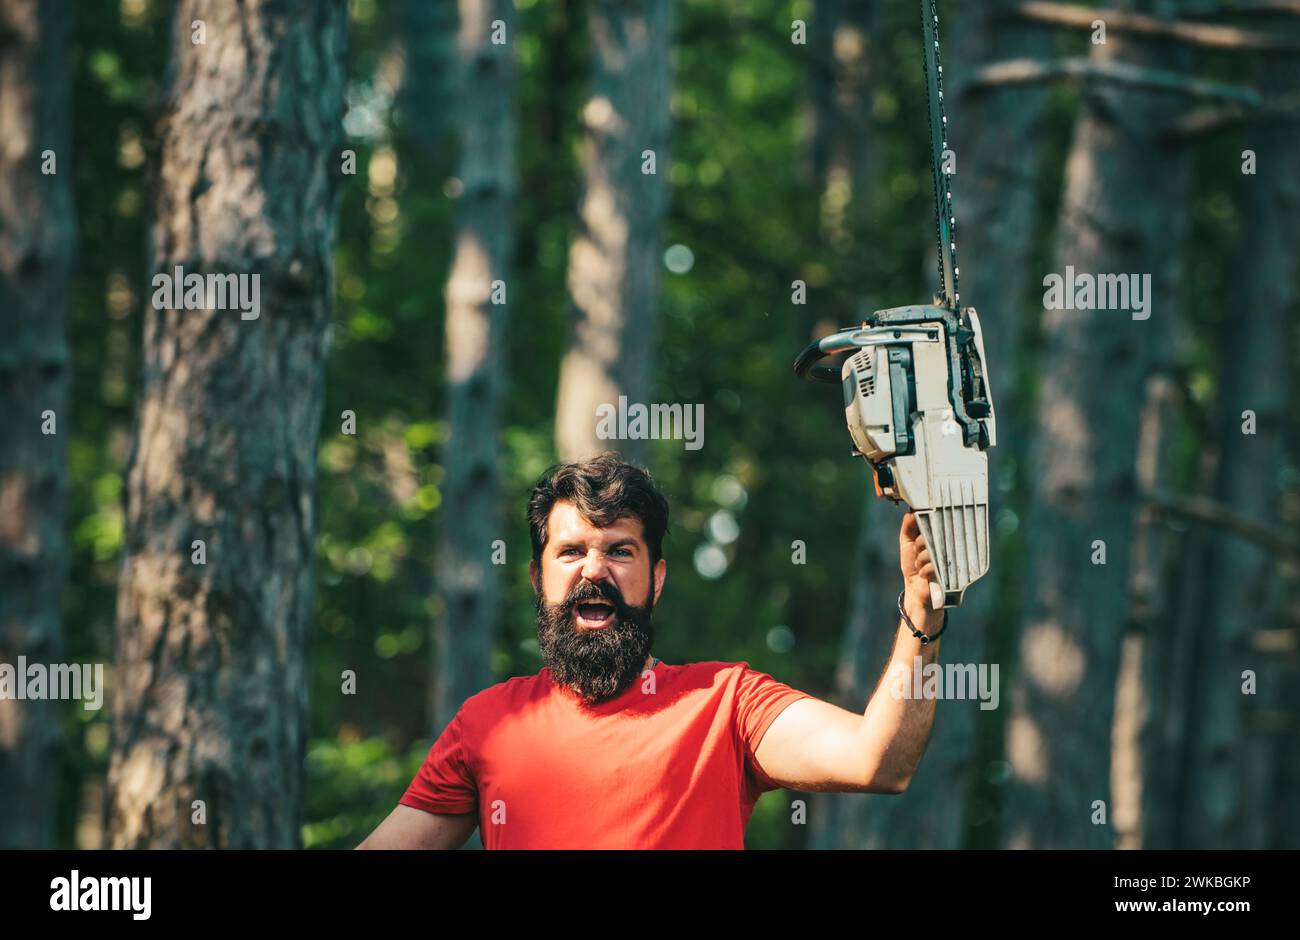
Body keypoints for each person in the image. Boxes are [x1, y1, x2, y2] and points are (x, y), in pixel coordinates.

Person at [357, 452, 943, 849]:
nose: (594, 570)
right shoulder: (487, 724)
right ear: (537, 579)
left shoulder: (728, 704)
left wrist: (921, 607)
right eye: (569, 552)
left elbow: (880, 761)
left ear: (656, 579)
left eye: (619, 551)